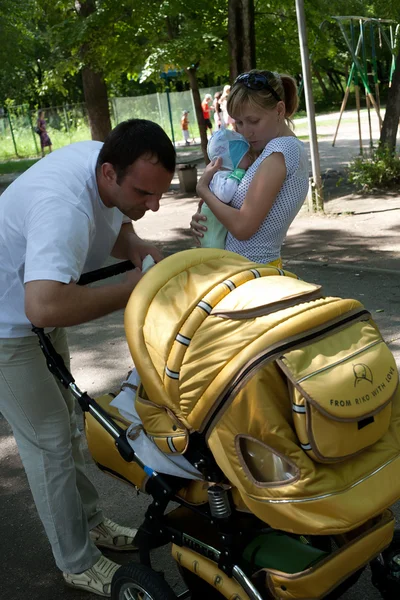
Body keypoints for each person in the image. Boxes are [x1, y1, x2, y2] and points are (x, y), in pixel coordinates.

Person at [0, 119, 176, 597]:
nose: (154, 205)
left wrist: (137, 248)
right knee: (49, 440)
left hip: (32, 314)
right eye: (145, 193)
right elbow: (46, 304)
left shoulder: (107, 160)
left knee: (71, 425)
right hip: (7, 327)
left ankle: (92, 525)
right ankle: (76, 562)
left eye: (160, 194)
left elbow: (114, 225)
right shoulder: (64, 208)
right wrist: (127, 290)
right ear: (107, 174)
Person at [190, 70, 309, 268]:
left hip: (253, 271)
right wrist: (207, 220)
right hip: (246, 269)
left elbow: (243, 227)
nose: (246, 131)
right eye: (239, 122)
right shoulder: (269, 151)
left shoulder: (279, 153)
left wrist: (203, 189)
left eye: (254, 121)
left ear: (280, 110)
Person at [200, 128, 253, 249]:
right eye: (246, 155)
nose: (250, 159)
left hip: (217, 228)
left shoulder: (225, 174)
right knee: (215, 250)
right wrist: (238, 173)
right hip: (211, 231)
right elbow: (225, 195)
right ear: (233, 159)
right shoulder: (220, 175)